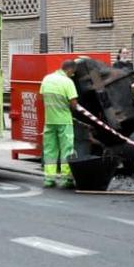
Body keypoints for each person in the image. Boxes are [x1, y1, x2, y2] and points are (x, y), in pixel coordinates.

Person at [38, 58, 81, 189]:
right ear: (69, 69)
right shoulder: (67, 82)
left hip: (49, 121)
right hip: (64, 122)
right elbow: (73, 104)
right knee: (66, 150)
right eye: (72, 73)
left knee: (50, 150)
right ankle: (66, 179)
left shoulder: (47, 79)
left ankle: (49, 179)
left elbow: (41, 97)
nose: (72, 75)